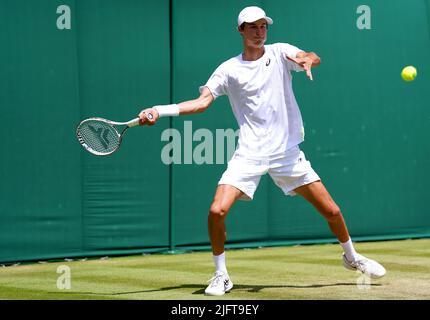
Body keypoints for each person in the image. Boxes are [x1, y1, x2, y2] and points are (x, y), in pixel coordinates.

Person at [138, 6, 386, 296]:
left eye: (263, 26)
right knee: (217, 210)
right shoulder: (228, 70)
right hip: (249, 154)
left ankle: (352, 257)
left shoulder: (280, 52)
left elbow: (310, 56)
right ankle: (221, 275)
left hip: (287, 154)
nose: (259, 31)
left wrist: (307, 59)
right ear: (240, 31)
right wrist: (159, 110)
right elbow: (202, 102)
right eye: (252, 26)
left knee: (332, 211)